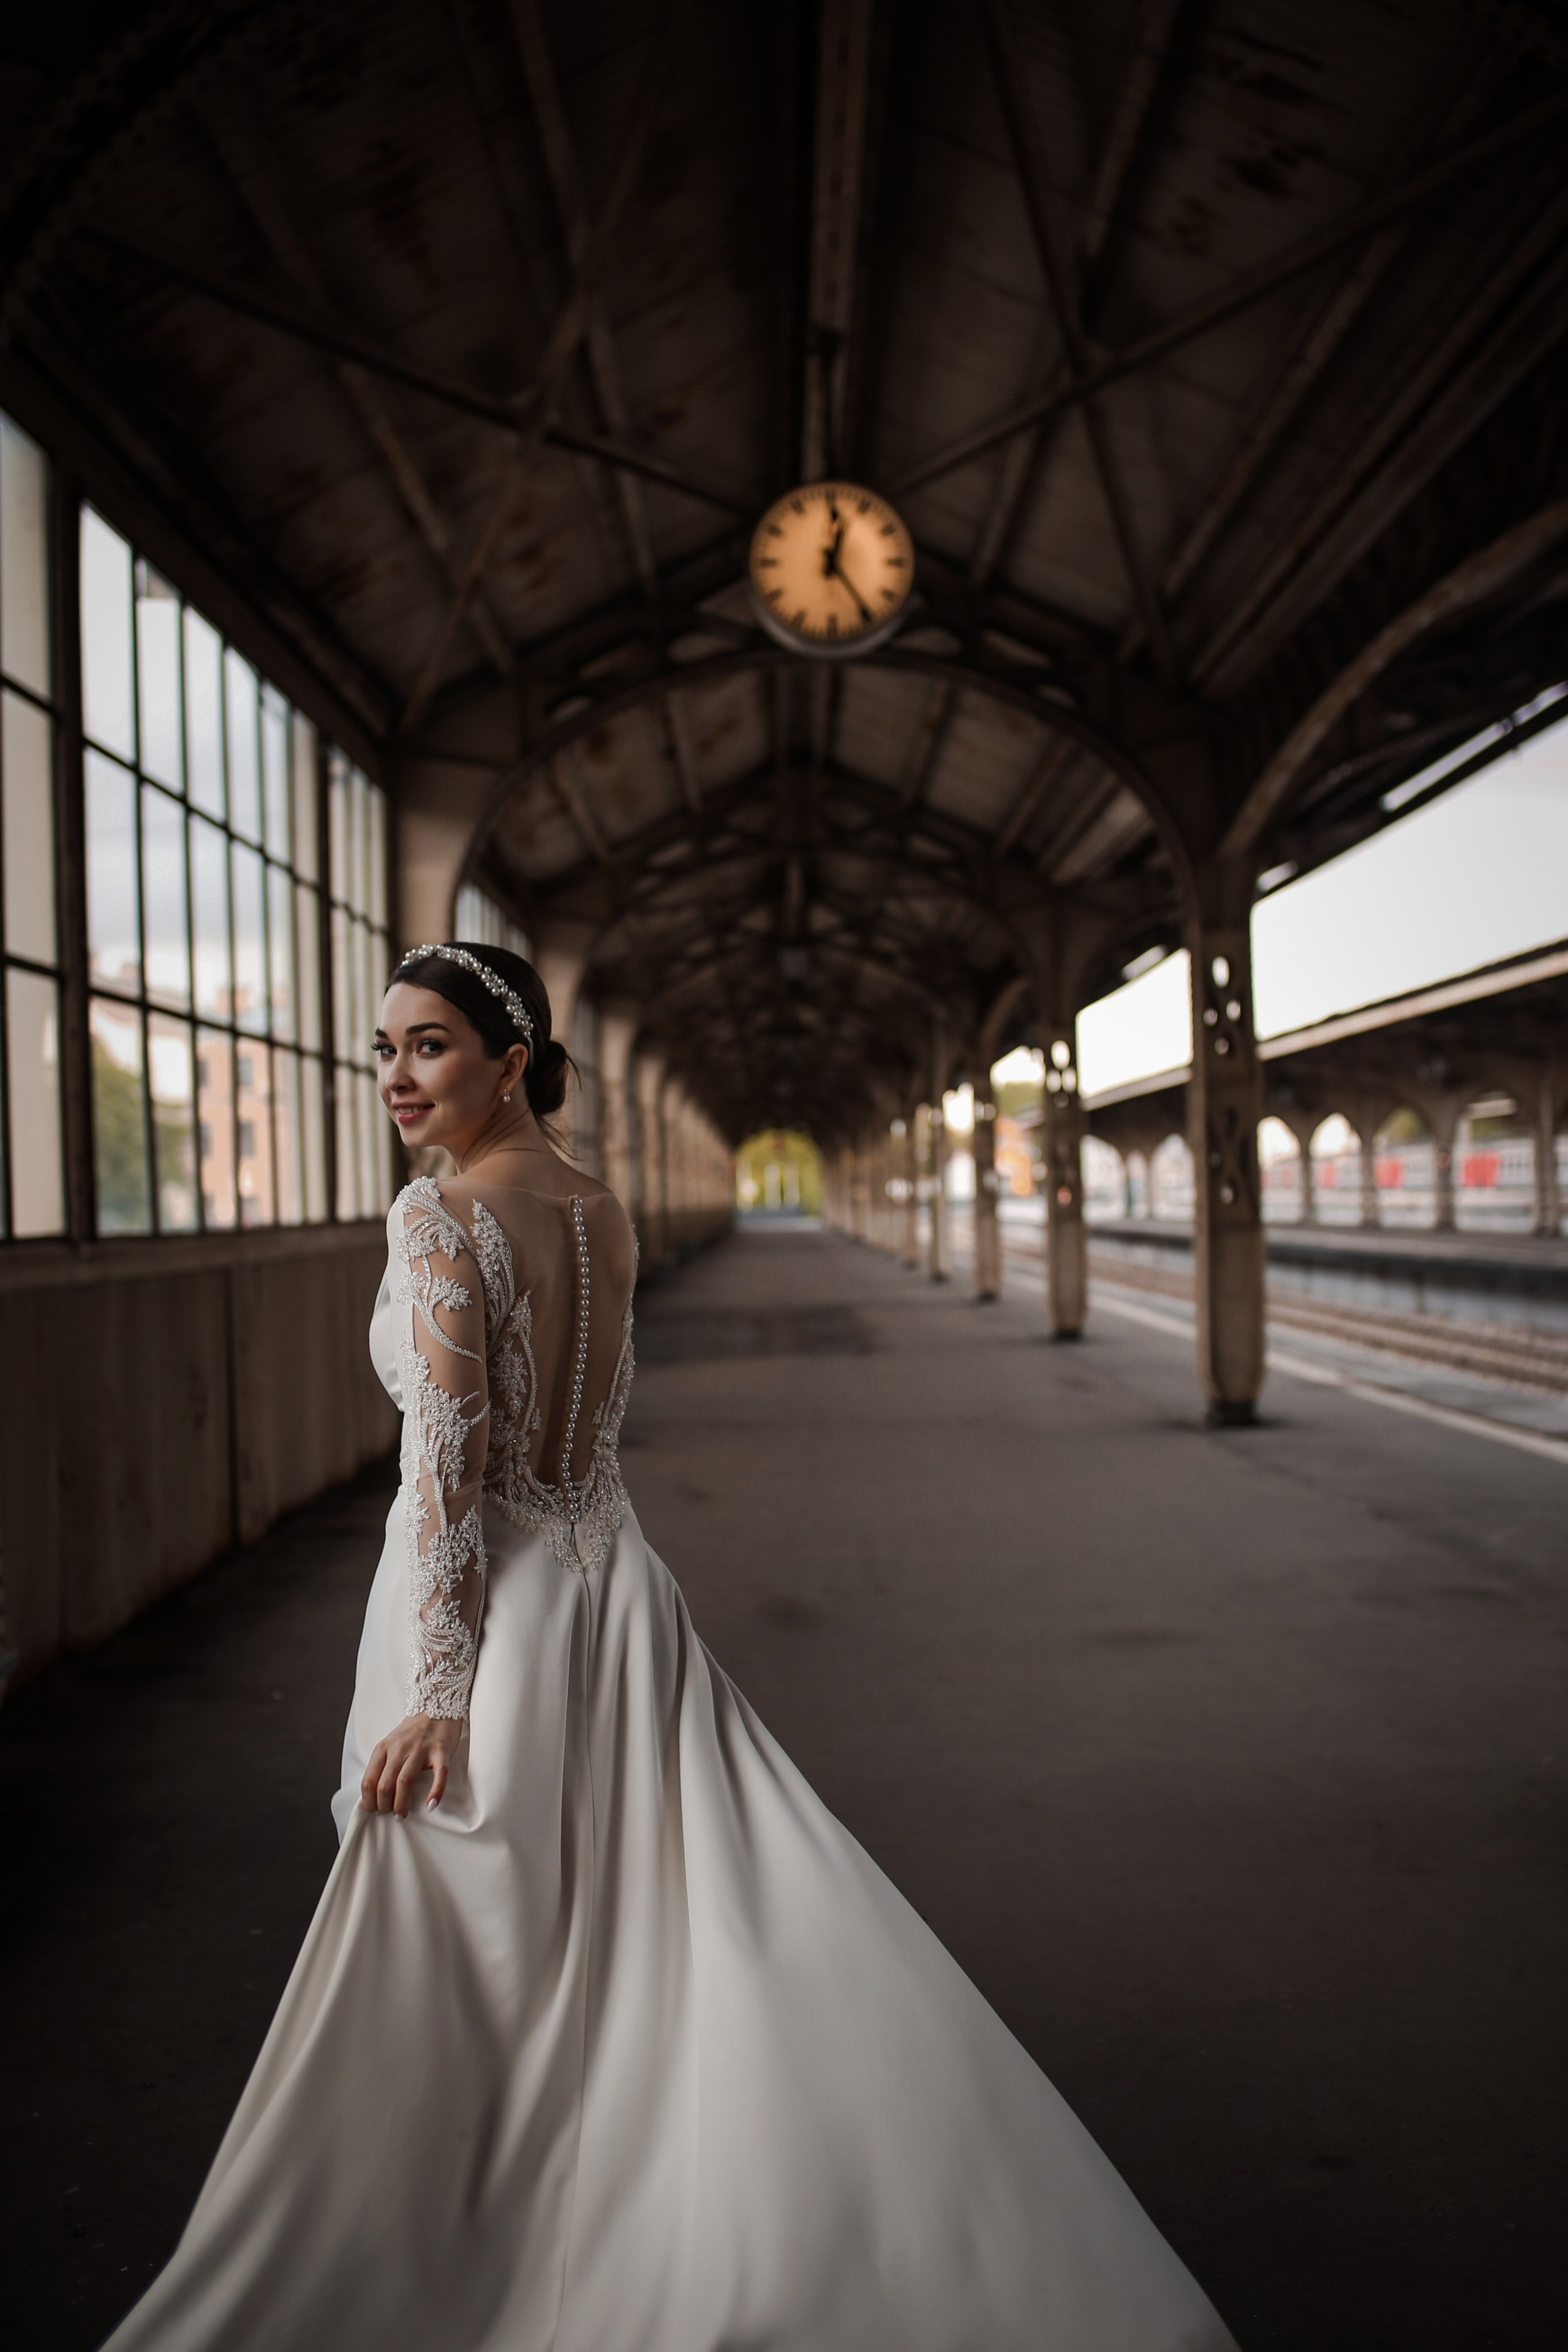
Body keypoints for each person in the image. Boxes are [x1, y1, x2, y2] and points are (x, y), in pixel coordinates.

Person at [102, 943, 1238, 2351]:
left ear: (510, 1060)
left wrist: (441, 1696)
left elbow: (449, 1469)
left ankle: (451, 2272)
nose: (395, 1074)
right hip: (617, 1595)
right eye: (384, 1048)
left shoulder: (438, 1218)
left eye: (431, 1046)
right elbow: (577, 1435)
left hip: (491, 1622)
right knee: (651, 1936)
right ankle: (655, 2237)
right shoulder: (598, 1208)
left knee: (475, 1957)